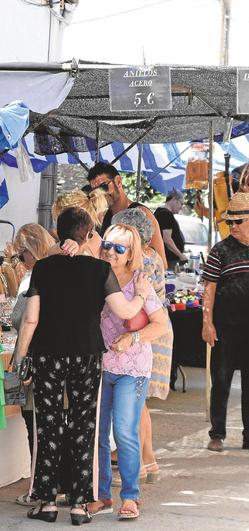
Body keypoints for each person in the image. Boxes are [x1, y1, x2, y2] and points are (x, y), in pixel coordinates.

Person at [14, 207, 151, 525]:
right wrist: (142, 295)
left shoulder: (43, 269)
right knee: (83, 428)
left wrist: (21, 358)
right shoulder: (100, 271)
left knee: (48, 427)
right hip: (87, 356)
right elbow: (126, 311)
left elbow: (31, 319)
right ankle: (78, 505)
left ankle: (47, 502)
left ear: (56, 231)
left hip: (48, 354)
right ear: (89, 234)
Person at [88, 223, 167, 520]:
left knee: (123, 431)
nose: (110, 251)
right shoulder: (94, 277)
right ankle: (102, 495)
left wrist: (133, 338)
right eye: (107, 244)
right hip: (98, 366)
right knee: (97, 434)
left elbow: (160, 325)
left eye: (119, 248)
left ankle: (131, 496)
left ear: (131, 252)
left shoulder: (140, 284)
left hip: (131, 368)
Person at [202, 192, 249, 453]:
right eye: (229, 222)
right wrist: (207, 323)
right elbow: (209, 289)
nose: (233, 226)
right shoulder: (220, 250)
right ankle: (217, 434)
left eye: (238, 221)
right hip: (225, 326)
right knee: (221, 381)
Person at [111, 208, 173, 483]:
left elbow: (135, 305)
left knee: (137, 405)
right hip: (149, 329)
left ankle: (143, 462)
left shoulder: (140, 262)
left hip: (145, 331)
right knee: (140, 404)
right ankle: (149, 461)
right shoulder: (153, 256)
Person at [11, 224, 56, 507]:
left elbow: (23, 319)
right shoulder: (60, 272)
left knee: (35, 427)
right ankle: (52, 486)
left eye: (20, 254)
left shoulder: (35, 278)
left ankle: (38, 488)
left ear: (30, 251)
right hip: (54, 358)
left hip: (32, 361)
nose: (19, 260)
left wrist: (19, 359)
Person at [86, 162, 167, 268]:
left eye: (103, 187)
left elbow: (161, 262)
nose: (100, 194)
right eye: (95, 191)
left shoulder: (142, 213)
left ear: (118, 181)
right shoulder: (103, 216)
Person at [154, 189, 187, 269]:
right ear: (174, 200)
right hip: (168, 260)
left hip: (166, 259)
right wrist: (181, 255)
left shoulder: (161, 212)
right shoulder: (165, 214)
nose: (181, 207)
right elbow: (167, 239)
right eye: (181, 203)